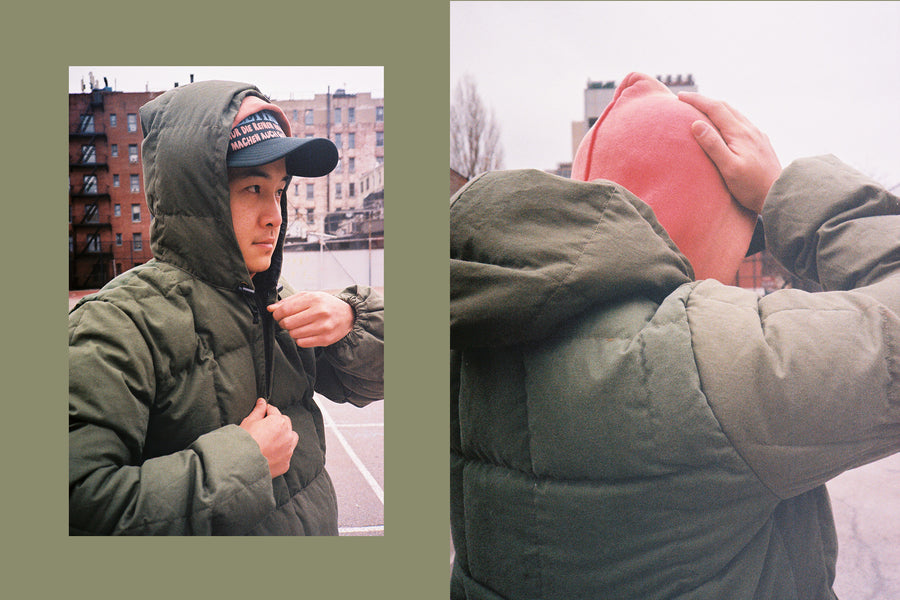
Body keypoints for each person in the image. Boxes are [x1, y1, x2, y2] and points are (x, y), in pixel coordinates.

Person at [449, 72, 899, 598]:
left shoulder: (475, 339)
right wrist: (786, 194)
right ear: (700, 225)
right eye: (744, 229)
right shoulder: (706, 363)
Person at [69, 80, 384, 535]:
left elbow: (381, 379)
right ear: (198, 198)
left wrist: (354, 319)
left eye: (278, 190)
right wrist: (243, 465)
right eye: (252, 188)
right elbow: (79, 505)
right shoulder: (116, 327)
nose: (275, 213)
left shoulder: (275, 300)